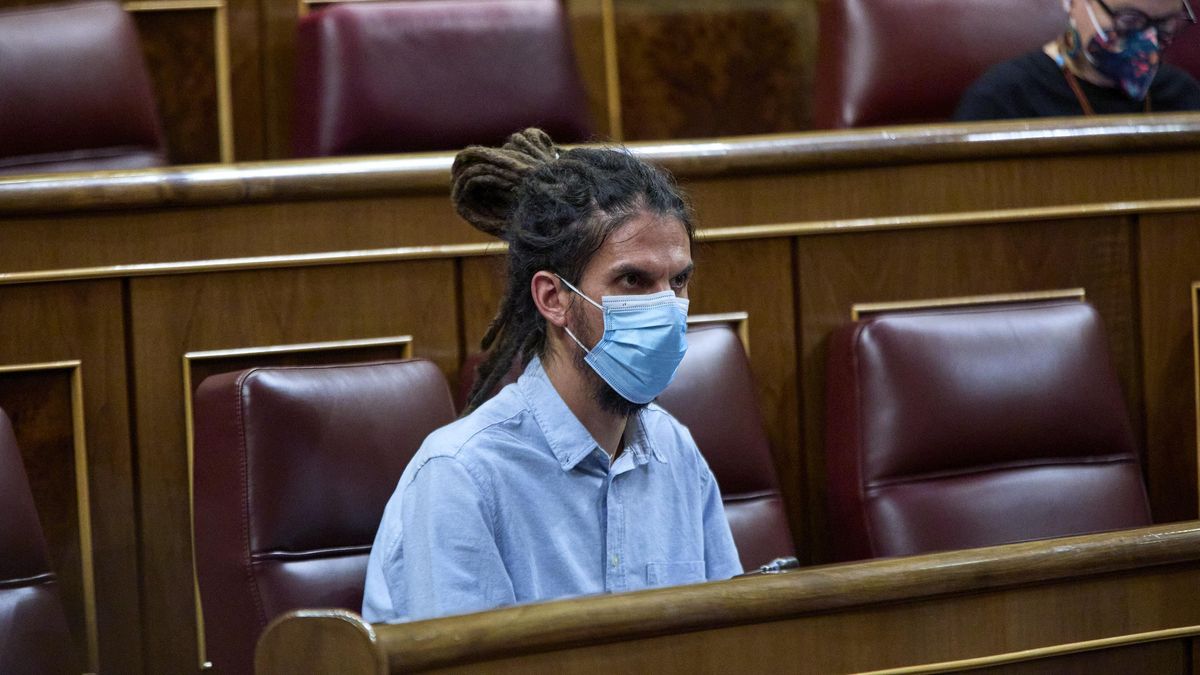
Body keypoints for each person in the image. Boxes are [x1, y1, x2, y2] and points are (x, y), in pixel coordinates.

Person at [362, 128, 743, 623]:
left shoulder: (677, 452)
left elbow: (729, 642)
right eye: (633, 280)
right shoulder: (461, 476)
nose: (666, 307)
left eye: (679, 280)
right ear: (553, 299)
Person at [954, 0, 1200, 120]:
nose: (1149, 41)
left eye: (1164, 24)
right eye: (1129, 20)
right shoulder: (1002, 101)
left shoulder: (1182, 95)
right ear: (1073, 3)